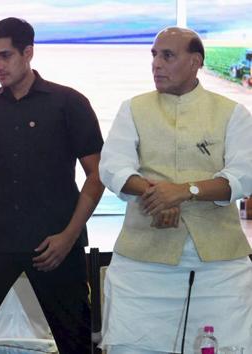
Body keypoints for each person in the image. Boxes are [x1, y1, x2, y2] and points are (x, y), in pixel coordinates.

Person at [99, 27, 252, 353]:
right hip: (143, 265)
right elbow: (113, 169)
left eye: (167, 55)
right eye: (154, 55)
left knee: (226, 347)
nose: (156, 63)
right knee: (133, 346)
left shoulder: (232, 113)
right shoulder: (133, 108)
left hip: (219, 269)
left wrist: (185, 191)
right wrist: (159, 194)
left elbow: (245, 176)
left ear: (195, 61)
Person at [0, 17, 104, 354]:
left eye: (5, 56)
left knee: (76, 342)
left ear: (28, 52)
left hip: (55, 245)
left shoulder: (69, 103)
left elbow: (98, 176)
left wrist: (68, 237)